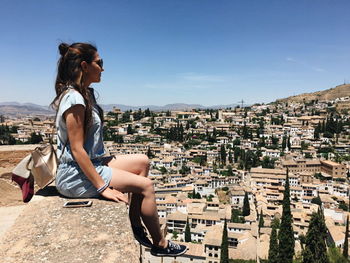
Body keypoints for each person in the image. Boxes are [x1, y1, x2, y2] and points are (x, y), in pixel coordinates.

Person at [51, 42, 187, 257]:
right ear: (85, 66)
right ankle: (160, 244)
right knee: (146, 186)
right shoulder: (75, 99)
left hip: (91, 163)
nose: (103, 68)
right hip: (75, 175)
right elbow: (77, 150)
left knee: (142, 161)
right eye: (100, 63)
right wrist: (102, 187)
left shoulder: (86, 94)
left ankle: (134, 222)